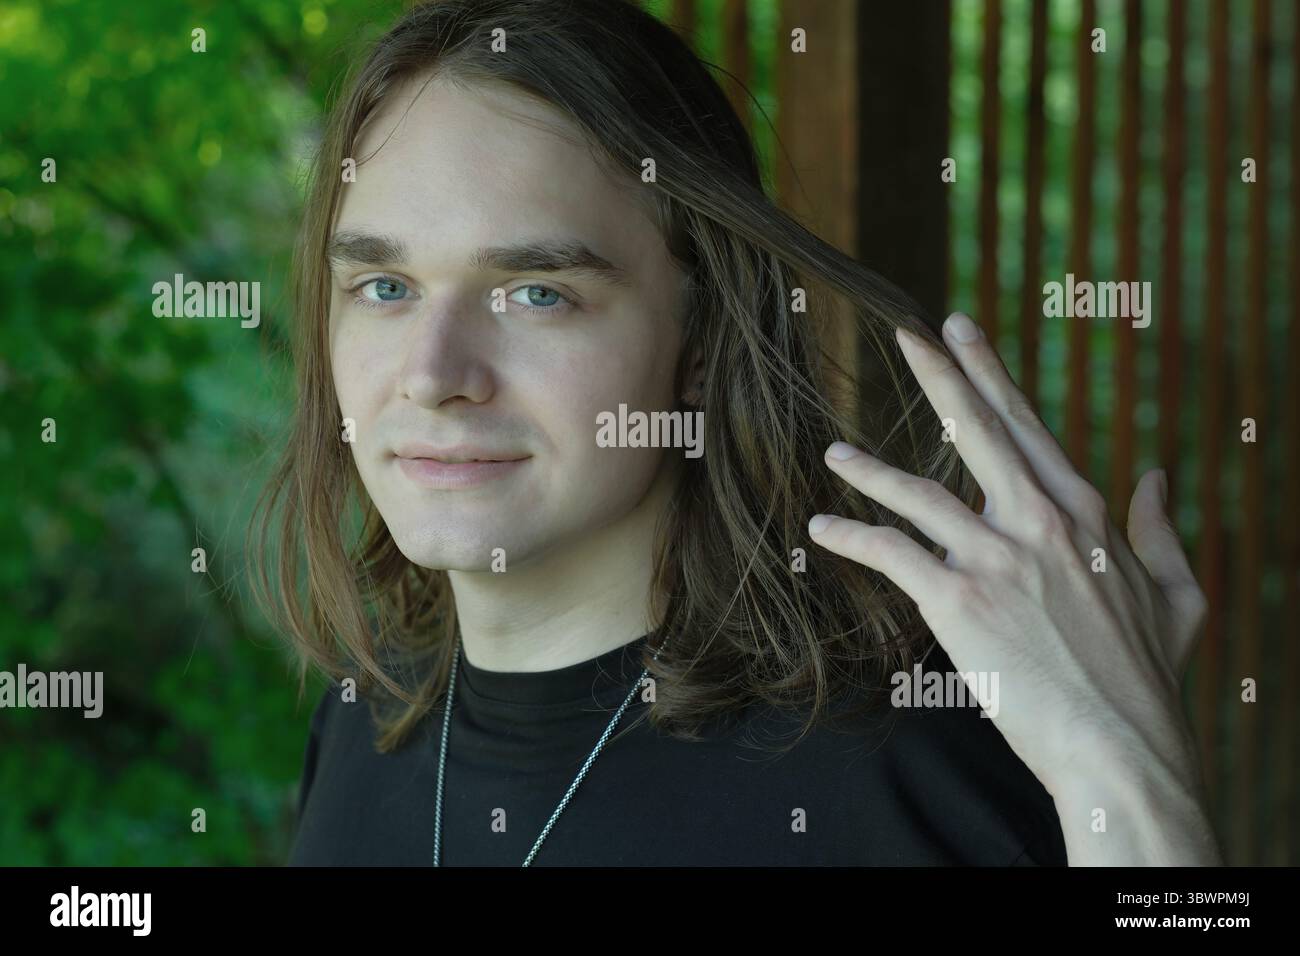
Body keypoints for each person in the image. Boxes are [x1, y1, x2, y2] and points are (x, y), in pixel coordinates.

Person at [247, 0, 1220, 866]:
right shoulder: (360, 716)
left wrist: (1124, 780)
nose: (431, 373)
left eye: (537, 292)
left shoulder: (912, 772)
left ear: (706, 335)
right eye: (383, 287)